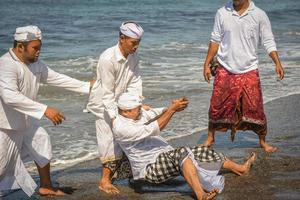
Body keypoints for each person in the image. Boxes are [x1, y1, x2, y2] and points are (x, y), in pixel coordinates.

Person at [0, 25, 93, 197]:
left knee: (41, 141)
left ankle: (46, 186)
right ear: (20, 46)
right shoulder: (6, 64)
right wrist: (45, 110)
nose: (39, 52)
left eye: (40, 48)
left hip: (26, 120)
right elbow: (9, 97)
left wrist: (87, 86)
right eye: (35, 48)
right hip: (5, 125)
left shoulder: (35, 64)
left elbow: (56, 78)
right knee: (2, 165)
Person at [112, 93, 256, 200]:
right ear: (125, 111)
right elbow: (155, 128)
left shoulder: (135, 114)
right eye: (137, 108)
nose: (141, 109)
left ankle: (240, 169)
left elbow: (156, 112)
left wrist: (175, 106)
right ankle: (201, 195)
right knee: (181, 153)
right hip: (149, 169)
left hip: (164, 156)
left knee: (201, 151)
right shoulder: (121, 127)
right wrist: (172, 110)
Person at [202, 0, 285, 153]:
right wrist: (207, 63)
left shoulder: (259, 14)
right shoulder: (222, 12)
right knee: (216, 105)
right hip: (225, 67)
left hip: (249, 68)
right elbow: (215, 40)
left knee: (255, 106)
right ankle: (210, 137)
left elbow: (268, 41)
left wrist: (277, 63)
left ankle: (262, 142)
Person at [87, 21, 146, 194]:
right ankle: (104, 180)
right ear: (121, 38)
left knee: (130, 137)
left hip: (121, 103)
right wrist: (114, 117)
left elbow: (135, 82)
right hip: (102, 105)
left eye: (138, 43)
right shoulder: (107, 58)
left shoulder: (134, 57)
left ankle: (131, 175)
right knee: (109, 142)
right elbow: (107, 93)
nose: (136, 47)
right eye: (133, 43)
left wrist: (136, 104)